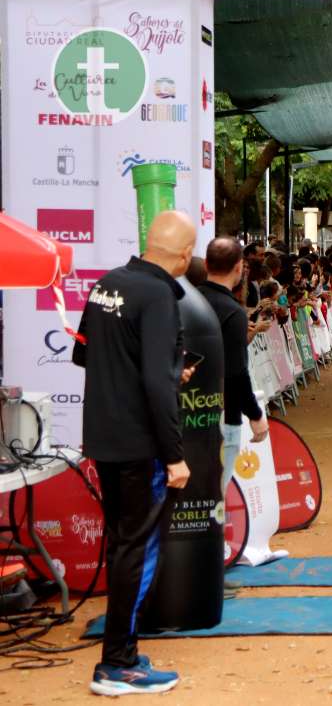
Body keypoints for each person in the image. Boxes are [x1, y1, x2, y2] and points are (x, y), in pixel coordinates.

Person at [71, 211, 196, 696]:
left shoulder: (108, 283)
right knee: (135, 549)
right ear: (184, 255)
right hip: (140, 445)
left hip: (104, 437)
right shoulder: (160, 293)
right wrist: (175, 455)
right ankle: (117, 664)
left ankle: (121, 653)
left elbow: (84, 353)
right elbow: (153, 383)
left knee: (122, 543)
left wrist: (165, 367)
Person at [197, 238, 270, 520]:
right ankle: (215, 539)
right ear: (240, 268)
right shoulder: (232, 311)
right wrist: (255, 413)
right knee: (219, 484)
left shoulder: (185, 301)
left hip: (184, 410)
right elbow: (237, 370)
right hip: (222, 411)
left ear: (206, 264)